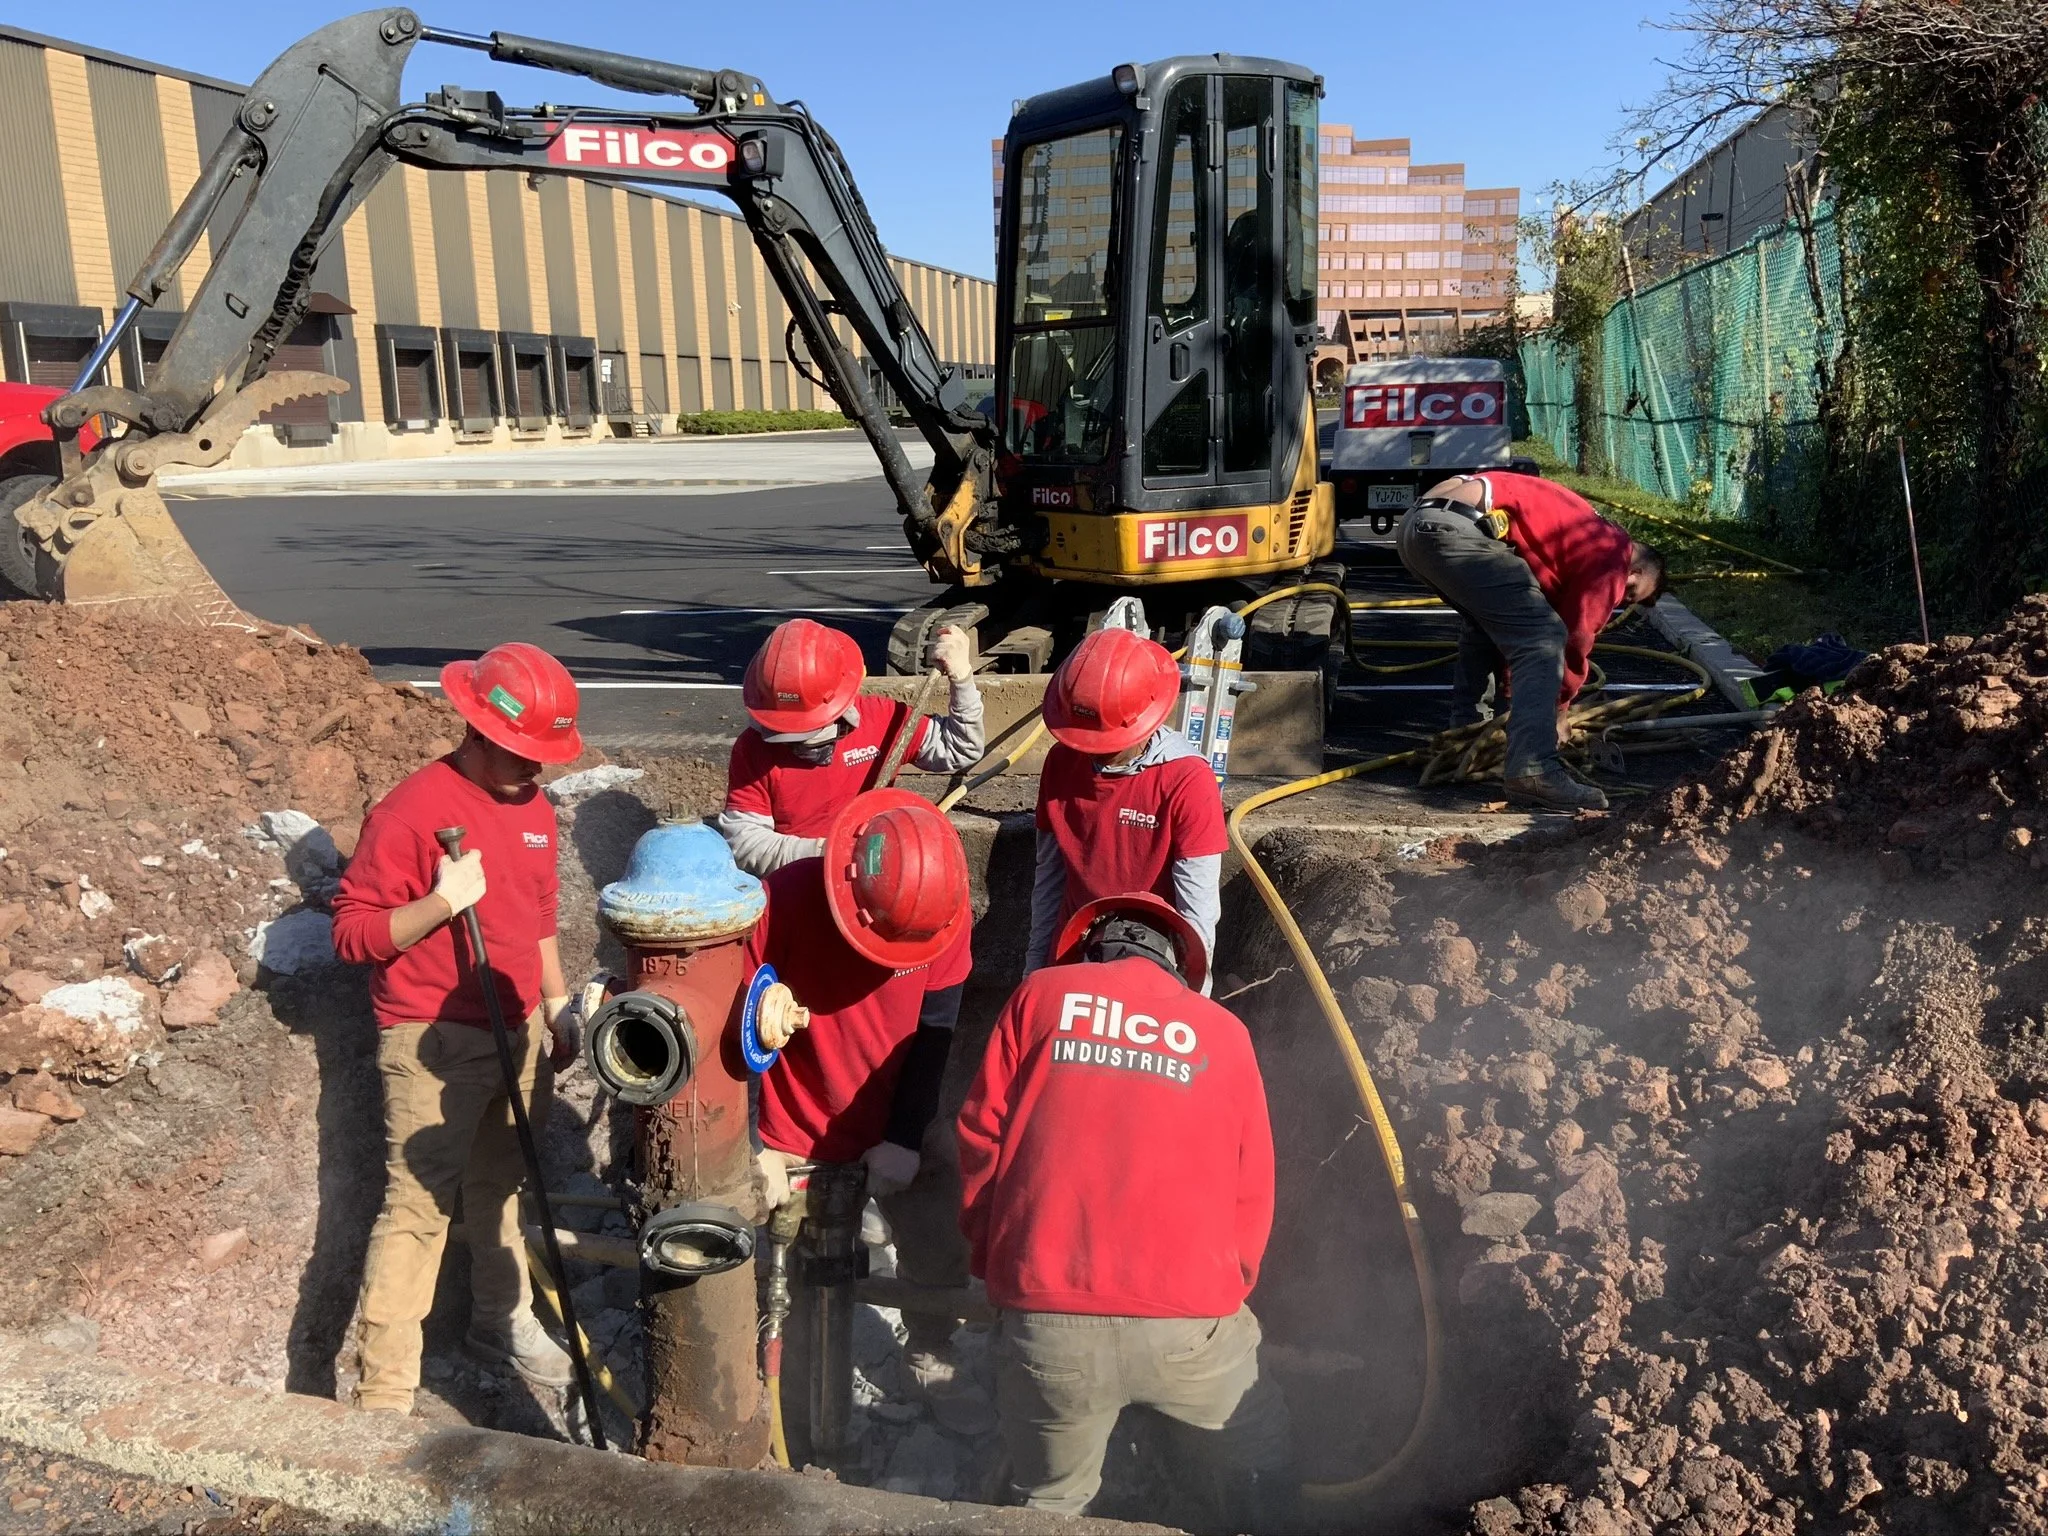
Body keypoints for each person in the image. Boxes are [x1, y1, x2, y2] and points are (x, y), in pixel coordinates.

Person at [958, 892, 1292, 1524]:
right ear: (1178, 963)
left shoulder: (1040, 997)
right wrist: (1232, 1284)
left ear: (1092, 949)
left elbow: (981, 1137)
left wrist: (998, 1270)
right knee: (1260, 1455)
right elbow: (1254, 1180)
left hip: (1050, 1321)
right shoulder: (1225, 1031)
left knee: (1048, 1502)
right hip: (1193, 1330)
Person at [331, 641, 585, 1415]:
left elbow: (539, 911)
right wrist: (442, 902)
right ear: (477, 732)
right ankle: (385, 1393)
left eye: (543, 757)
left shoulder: (534, 805)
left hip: (517, 1032)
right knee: (417, 1207)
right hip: (431, 1040)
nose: (534, 771)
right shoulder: (411, 813)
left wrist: (555, 1002)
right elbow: (352, 935)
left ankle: (496, 1323)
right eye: (520, 755)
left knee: (499, 1188)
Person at [745, 787, 978, 1433]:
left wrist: (905, 1136)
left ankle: (931, 1345)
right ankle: (774, 1374)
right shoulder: (783, 899)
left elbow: (936, 1030)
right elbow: (733, 1028)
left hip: (897, 1111)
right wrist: (750, 1142)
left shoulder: (943, 908)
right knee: (785, 1279)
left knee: (938, 1235)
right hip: (793, 1123)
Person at [1395, 471, 1667, 812]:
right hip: (1454, 529)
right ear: (1636, 571)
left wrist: (1517, 699)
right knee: (1545, 638)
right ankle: (1534, 771)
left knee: (1485, 629)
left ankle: (1467, 739)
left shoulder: (1582, 528)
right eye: (1630, 594)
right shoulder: (1613, 551)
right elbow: (1577, 635)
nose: (1621, 601)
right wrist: (1558, 710)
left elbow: (1513, 633)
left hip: (1417, 526)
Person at [1025, 627, 1224, 990]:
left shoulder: (1187, 781)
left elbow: (1198, 913)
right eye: (1080, 739)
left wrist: (1193, 1001)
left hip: (1150, 965)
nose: (1088, 751)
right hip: (1076, 951)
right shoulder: (1060, 761)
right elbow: (1049, 878)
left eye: (1103, 744)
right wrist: (1034, 974)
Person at [717, 617, 985, 874]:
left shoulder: (883, 721)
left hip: (876, 878)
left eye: (809, 735)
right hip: (796, 881)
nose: (799, 747)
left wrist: (962, 680)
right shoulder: (753, 749)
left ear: (842, 707)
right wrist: (827, 852)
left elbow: (960, 749)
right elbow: (745, 842)